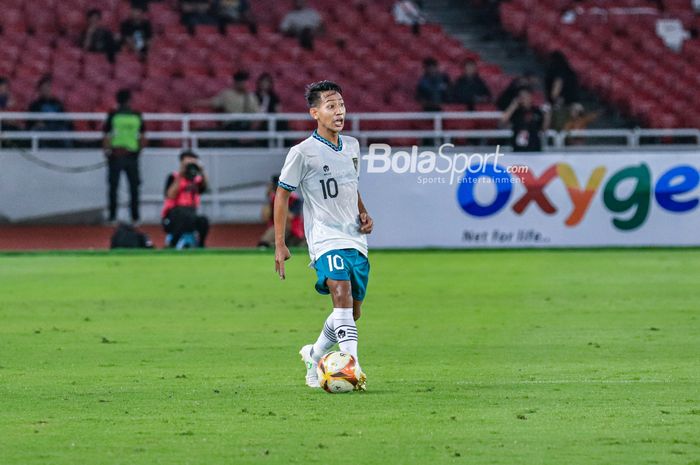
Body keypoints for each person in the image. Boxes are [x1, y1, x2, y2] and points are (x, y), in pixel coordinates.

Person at [274, 81, 373, 391]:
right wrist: (280, 242)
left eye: (341, 104)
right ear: (314, 113)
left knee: (350, 313)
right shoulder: (302, 153)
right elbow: (282, 195)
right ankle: (351, 369)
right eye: (331, 106)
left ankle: (313, 355)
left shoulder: (354, 146)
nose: (339, 110)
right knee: (340, 292)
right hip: (324, 238)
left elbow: (350, 185)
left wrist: (363, 212)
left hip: (354, 239)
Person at [103, 89, 145, 224]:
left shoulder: (113, 115)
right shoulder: (136, 115)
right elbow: (143, 137)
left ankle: (112, 217)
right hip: (132, 155)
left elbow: (106, 135)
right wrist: (138, 151)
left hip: (116, 154)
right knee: (134, 188)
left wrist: (107, 152)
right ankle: (135, 217)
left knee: (113, 187)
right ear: (129, 100)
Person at [162, 150, 210, 248]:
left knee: (203, 221)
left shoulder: (196, 180)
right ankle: (172, 244)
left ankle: (201, 245)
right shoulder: (173, 177)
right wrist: (181, 174)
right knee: (183, 215)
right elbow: (170, 195)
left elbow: (205, 187)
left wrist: (202, 170)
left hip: (191, 214)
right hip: (173, 216)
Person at [194, 70, 260, 131]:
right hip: (231, 126)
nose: (243, 83)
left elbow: (258, 115)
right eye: (241, 81)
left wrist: (252, 132)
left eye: (245, 81)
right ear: (236, 82)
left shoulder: (251, 96)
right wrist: (196, 103)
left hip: (246, 127)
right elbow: (212, 102)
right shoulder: (227, 94)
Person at [258, 175, 304, 248]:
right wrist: (269, 198)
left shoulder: (294, 199)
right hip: (277, 228)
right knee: (264, 242)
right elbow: (265, 218)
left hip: (293, 229)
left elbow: (290, 217)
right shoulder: (272, 199)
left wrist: (282, 200)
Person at [501, 87, 550, 152]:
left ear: (530, 97)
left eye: (525, 96)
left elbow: (544, 129)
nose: (523, 98)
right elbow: (502, 122)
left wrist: (547, 115)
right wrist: (513, 106)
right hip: (518, 149)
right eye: (521, 96)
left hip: (534, 148)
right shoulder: (516, 112)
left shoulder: (537, 111)